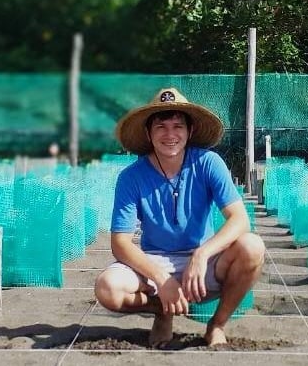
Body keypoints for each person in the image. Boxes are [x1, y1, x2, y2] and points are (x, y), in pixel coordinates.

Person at [93, 88, 266, 348]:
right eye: (161, 126)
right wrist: (162, 280)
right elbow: (121, 242)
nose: (170, 134)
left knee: (253, 247)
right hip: (155, 262)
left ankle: (217, 324)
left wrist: (202, 255)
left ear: (190, 131)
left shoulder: (208, 163)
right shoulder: (131, 177)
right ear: (148, 133)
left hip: (205, 265)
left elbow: (239, 219)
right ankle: (163, 311)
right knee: (107, 287)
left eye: (178, 126)